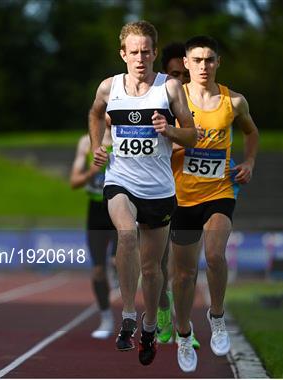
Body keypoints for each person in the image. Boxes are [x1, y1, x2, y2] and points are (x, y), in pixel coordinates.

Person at [88, 20, 197, 366]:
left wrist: (170, 131)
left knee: (151, 270)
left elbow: (192, 136)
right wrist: (96, 147)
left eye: (146, 52)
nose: (140, 58)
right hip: (121, 180)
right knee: (125, 234)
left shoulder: (170, 89)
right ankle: (130, 317)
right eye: (133, 52)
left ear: (153, 53)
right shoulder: (109, 88)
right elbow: (94, 114)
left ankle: (149, 326)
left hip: (160, 190)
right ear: (123, 54)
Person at [170, 35, 259, 372]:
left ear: (217, 62)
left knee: (215, 255)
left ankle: (217, 317)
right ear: (187, 64)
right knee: (182, 275)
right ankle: (182, 333)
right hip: (182, 196)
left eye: (209, 60)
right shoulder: (173, 100)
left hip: (220, 190)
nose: (204, 66)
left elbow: (252, 133)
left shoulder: (233, 102)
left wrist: (249, 163)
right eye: (197, 60)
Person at [154, 41, 198, 348]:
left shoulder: (205, 104)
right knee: (157, 264)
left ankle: (185, 326)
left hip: (192, 194)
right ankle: (162, 313)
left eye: (185, 74)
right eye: (174, 74)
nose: (180, 80)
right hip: (157, 191)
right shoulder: (154, 101)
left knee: (186, 270)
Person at [70, 126, 117, 340]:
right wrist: (92, 171)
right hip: (96, 211)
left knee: (118, 262)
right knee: (98, 271)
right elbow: (74, 182)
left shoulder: (124, 136)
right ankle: (106, 318)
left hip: (120, 206)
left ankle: (131, 317)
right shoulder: (85, 142)